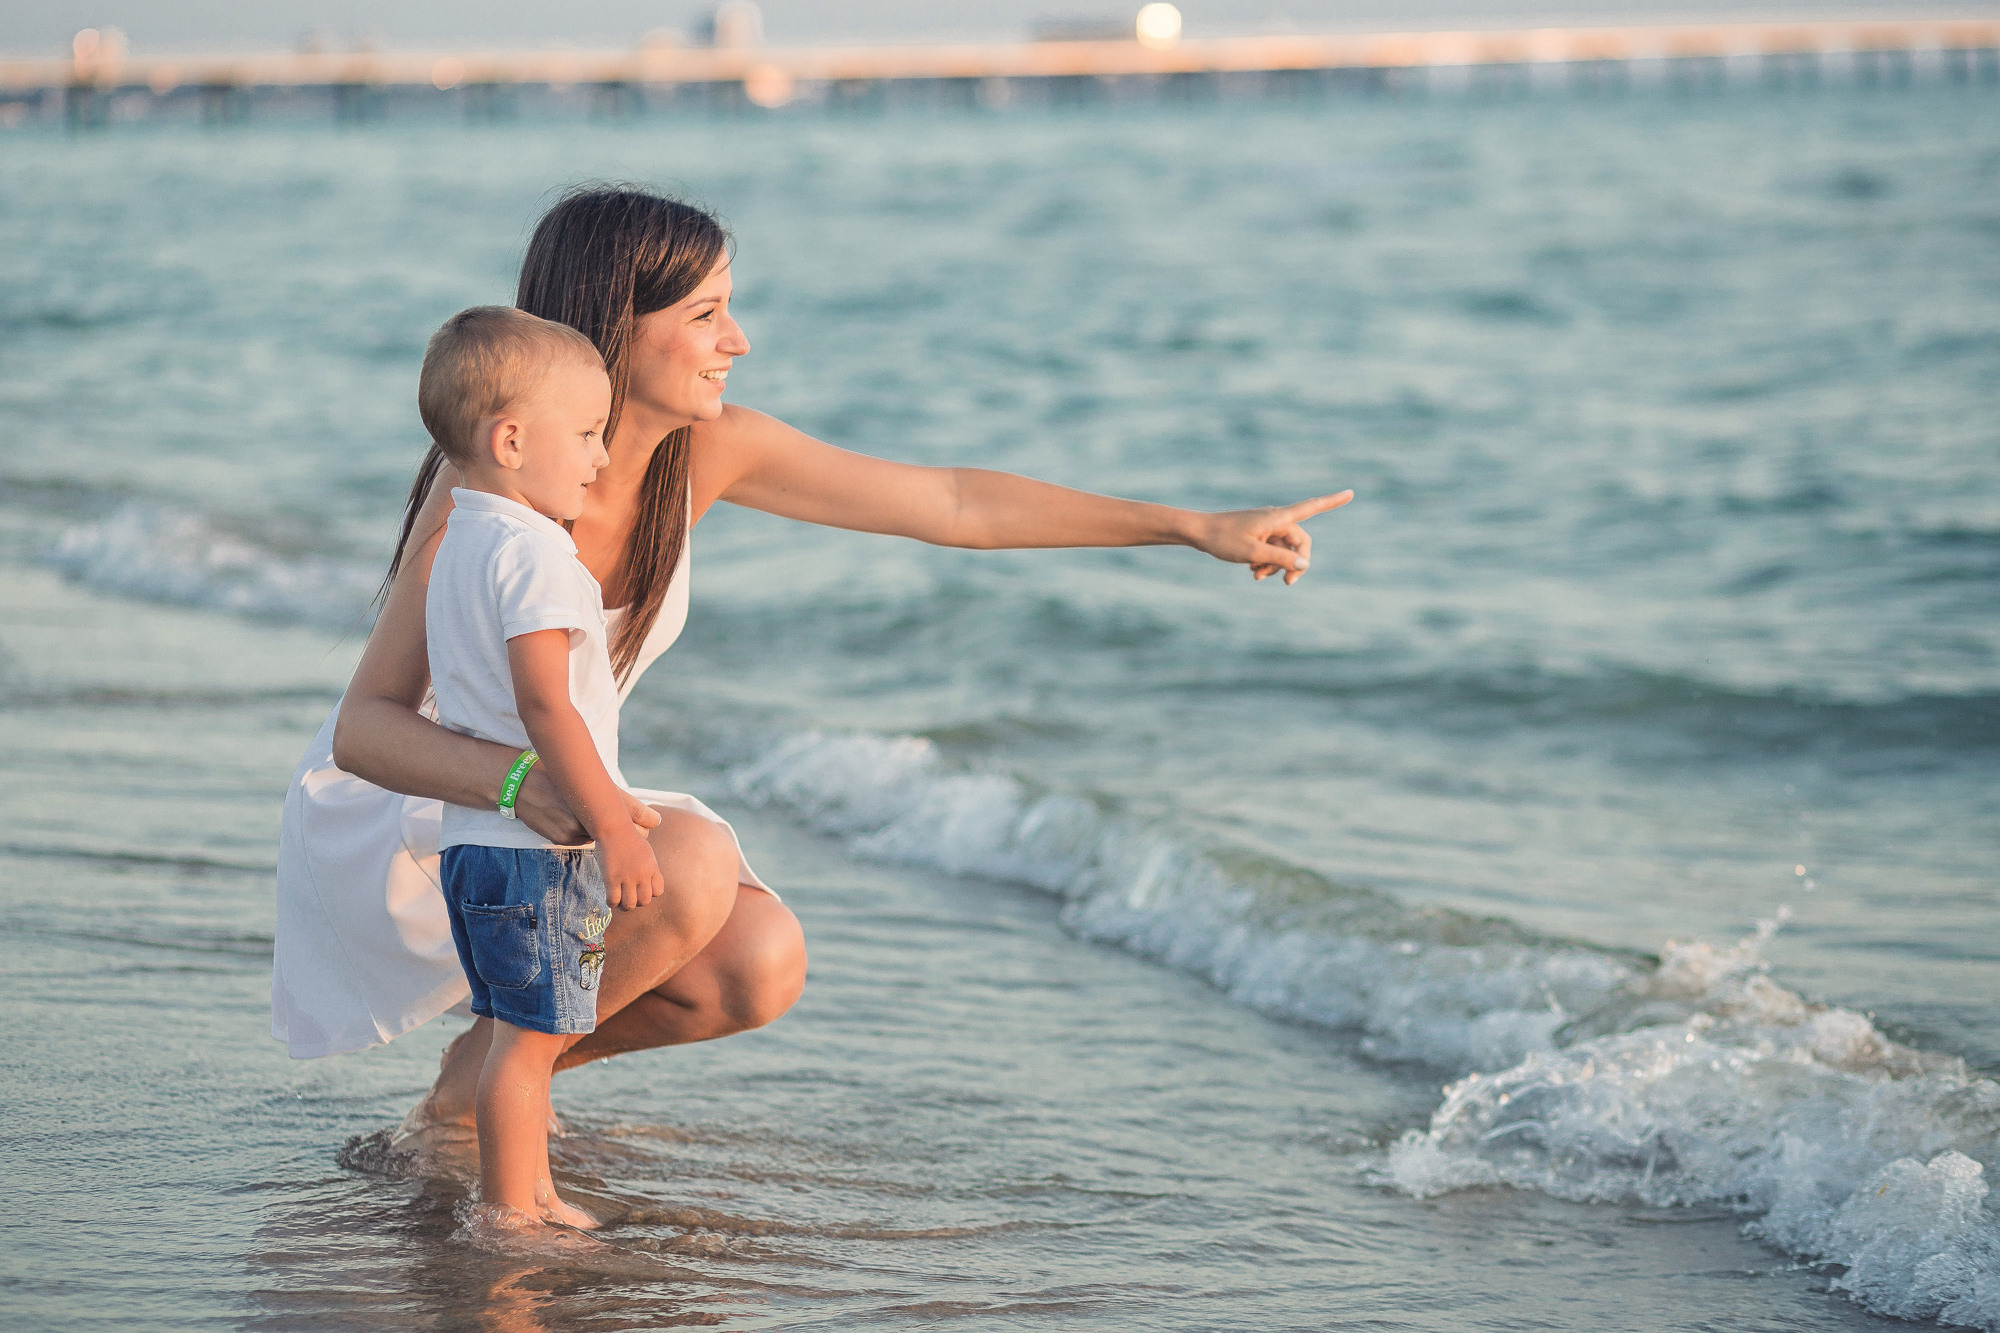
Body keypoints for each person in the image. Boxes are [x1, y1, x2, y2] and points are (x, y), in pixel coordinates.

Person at [272, 185, 1352, 1152]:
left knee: (758, 960)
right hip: (435, 818)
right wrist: (526, 783)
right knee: (689, 864)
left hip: (561, 804)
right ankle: (500, 1099)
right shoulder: (486, 499)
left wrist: (1190, 526)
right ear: (613, 323)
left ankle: (481, 1085)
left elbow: (953, 505)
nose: (733, 339)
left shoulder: (707, 452)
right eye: (703, 314)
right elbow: (363, 729)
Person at [415, 304, 665, 1227]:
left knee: (515, 1029)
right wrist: (609, 823)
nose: (602, 457)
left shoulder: (458, 545)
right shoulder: (540, 555)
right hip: (534, 853)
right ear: (511, 439)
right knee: (532, 1041)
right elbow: (547, 703)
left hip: (470, 843)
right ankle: (512, 1210)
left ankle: (532, 1192)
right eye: (590, 434)